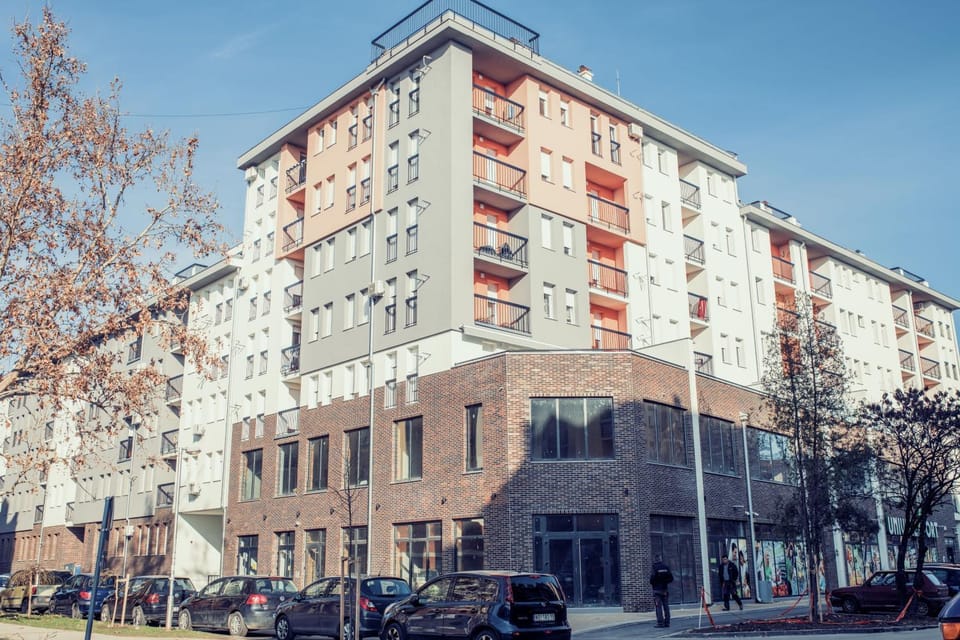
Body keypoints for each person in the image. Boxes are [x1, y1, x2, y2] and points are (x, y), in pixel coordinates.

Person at [649, 555, 674, 627]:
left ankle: (660, 623)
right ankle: (667, 622)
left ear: (655, 560)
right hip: (664, 590)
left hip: (657, 590)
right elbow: (671, 578)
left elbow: (652, 579)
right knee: (666, 606)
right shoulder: (666, 567)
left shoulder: (654, 567)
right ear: (660, 559)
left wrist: (655, 583)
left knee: (658, 607)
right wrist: (665, 582)